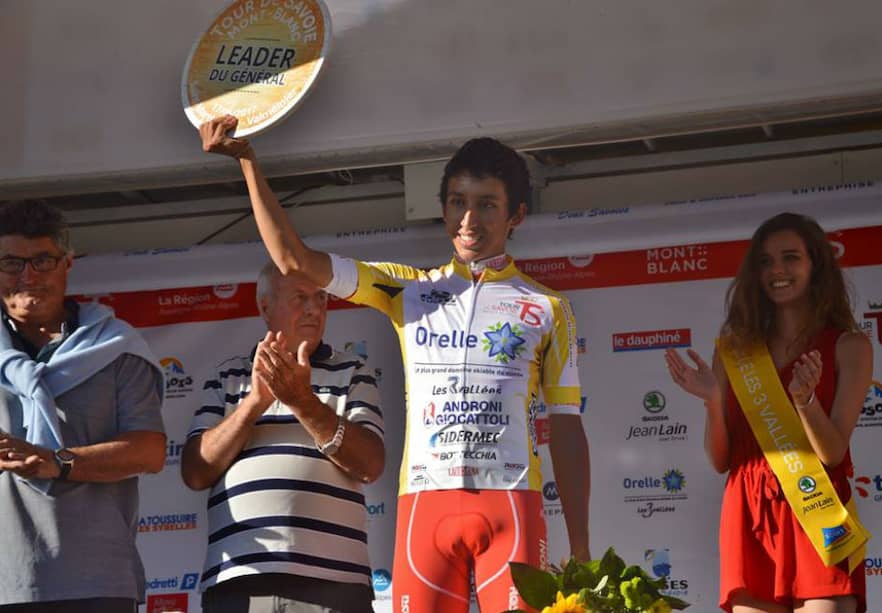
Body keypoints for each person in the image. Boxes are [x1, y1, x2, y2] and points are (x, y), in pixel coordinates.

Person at [197, 115, 591, 613]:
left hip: (512, 506)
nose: (469, 220)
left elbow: (568, 429)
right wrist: (249, 162)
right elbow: (294, 260)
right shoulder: (409, 290)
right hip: (426, 510)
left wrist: (580, 546)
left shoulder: (548, 308)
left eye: (487, 205)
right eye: (457, 203)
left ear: (517, 215)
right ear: (443, 208)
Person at [665, 212, 871, 613]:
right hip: (749, 512)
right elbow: (721, 460)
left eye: (791, 257)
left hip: (817, 509)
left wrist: (805, 402)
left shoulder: (850, 346)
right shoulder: (735, 352)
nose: (777, 269)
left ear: (816, 265)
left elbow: (832, 453)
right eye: (765, 261)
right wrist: (712, 403)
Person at [181, 261, 386, 613]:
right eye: (300, 298)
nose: (314, 309)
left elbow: (370, 463)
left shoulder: (353, 370)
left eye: (321, 298)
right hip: (240, 581)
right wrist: (256, 401)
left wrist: (302, 401)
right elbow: (196, 471)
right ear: (265, 307)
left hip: (335, 583)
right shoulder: (229, 376)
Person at [0, 201, 166, 613]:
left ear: (67, 263)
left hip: (94, 580)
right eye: (10, 263)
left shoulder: (115, 347)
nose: (27, 276)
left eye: (42, 260)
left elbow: (149, 451)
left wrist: (57, 461)